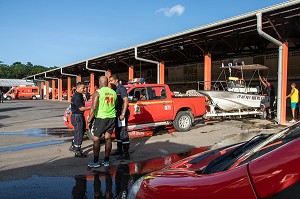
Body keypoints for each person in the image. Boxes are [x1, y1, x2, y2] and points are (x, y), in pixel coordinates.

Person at [87, 76, 117, 168]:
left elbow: (94, 108)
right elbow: (115, 105)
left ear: (99, 83)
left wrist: (89, 120)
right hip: (112, 117)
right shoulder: (113, 92)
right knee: (108, 138)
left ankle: (96, 161)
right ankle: (106, 161)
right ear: (107, 82)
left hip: (101, 118)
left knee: (96, 139)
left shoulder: (97, 93)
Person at [109, 74, 130, 160]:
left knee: (123, 132)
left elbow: (126, 101)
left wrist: (123, 113)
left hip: (122, 113)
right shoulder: (115, 89)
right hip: (117, 113)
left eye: (111, 81)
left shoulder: (121, 88)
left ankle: (126, 153)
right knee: (117, 132)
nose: (110, 82)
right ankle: (119, 149)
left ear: (116, 80)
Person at [69, 82, 91, 158]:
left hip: (77, 116)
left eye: (84, 88)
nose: (84, 89)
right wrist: (92, 107)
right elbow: (81, 108)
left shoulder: (79, 95)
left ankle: (73, 145)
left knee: (79, 132)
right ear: (78, 88)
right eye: (83, 88)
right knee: (79, 133)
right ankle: (77, 150)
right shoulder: (77, 97)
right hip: (77, 116)